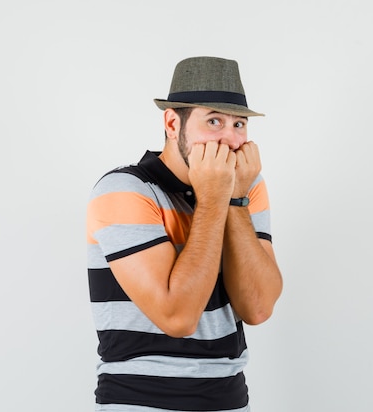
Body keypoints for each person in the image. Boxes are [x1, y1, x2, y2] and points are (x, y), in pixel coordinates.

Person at [86, 56, 283, 412]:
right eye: (214, 121)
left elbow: (257, 308)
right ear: (172, 123)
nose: (231, 139)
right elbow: (177, 318)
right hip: (141, 401)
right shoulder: (125, 190)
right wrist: (212, 201)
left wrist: (234, 200)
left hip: (229, 398)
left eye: (239, 124)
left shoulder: (245, 187)